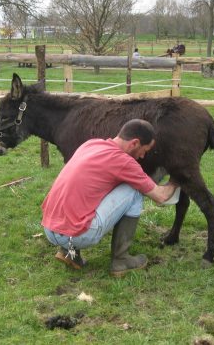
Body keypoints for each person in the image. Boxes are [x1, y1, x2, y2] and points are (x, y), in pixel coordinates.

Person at [42, 119, 179, 277]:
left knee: (92, 190)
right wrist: (176, 179)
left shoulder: (92, 144)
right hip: (76, 235)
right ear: (134, 143)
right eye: (144, 150)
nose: (143, 156)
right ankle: (121, 260)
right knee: (134, 190)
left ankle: (69, 253)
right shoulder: (124, 162)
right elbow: (160, 197)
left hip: (50, 228)